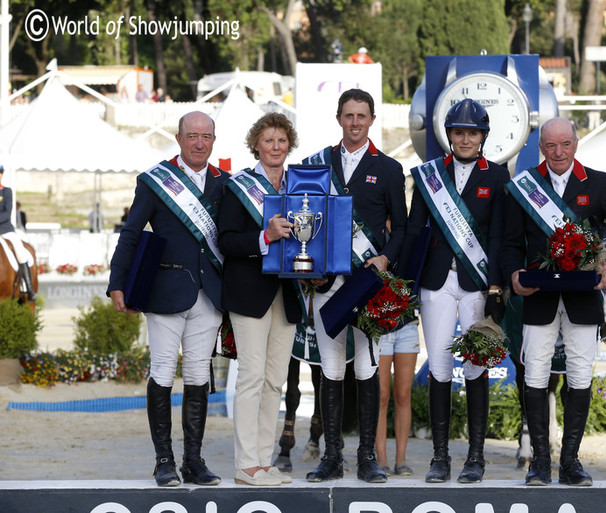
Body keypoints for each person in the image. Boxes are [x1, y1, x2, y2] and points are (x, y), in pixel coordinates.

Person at [502, 117, 606, 487]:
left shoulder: (597, 183)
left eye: (565, 144)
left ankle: (570, 462)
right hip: (538, 296)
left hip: (583, 297)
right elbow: (509, 243)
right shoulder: (524, 186)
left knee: (580, 375)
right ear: (542, 148)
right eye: (550, 146)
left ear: (576, 144)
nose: (558, 152)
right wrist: (513, 275)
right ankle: (539, 462)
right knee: (534, 373)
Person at [107, 111, 228, 487]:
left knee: (196, 376)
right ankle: (163, 461)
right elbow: (131, 232)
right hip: (164, 293)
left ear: (213, 140)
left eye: (205, 136)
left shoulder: (226, 184)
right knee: (161, 373)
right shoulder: (156, 181)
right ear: (178, 138)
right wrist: (117, 281)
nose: (198, 143)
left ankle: (193, 460)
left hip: (208, 296)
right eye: (191, 135)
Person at [400, 98, 509, 484]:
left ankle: (475, 457)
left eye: (472, 133)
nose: (465, 139)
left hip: (476, 282)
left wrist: (496, 284)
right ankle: (440, 457)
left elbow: (498, 234)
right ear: (449, 135)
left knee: (477, 365)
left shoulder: (497, 176)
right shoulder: (429, 175)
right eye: (459, 132)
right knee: (441, 367)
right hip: (435, 283)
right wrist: (406, 284)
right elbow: (414, 231)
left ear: (483, 137)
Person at [302, 88, 407, 484]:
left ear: (372, 120)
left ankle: (367, 457)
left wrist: (385, 259)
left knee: (365, 368)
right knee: (330, 369)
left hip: (368, 283)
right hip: (327, 279)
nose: (355, 122)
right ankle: (332, 456)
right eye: (349, 115)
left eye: (362, 116)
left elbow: (404, 228)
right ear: (339, 118)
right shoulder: (317, 164)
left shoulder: (390, 169)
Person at [218, 112, 303, 487]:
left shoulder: (300, 186)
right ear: (256, 144)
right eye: (268, 141)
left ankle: (265, 462)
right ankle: (245, 465)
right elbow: (226, 241)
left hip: (286, 294)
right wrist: (264, 237)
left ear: (289, 145)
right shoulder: (238, 187)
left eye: (282, 141)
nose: (275, 147)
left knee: (274, 382)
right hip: (249, 292)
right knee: (251, 379)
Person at [375, 320, 420, 476]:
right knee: (381, 395)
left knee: (403, 395)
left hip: (408, 325)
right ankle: (381, 459)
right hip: (380, 326)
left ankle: (401, 460)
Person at [0, 166, 36, 301]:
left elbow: (6, 213)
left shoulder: (6, 192)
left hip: (5, 230)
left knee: (20, 253)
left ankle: (28, 288)